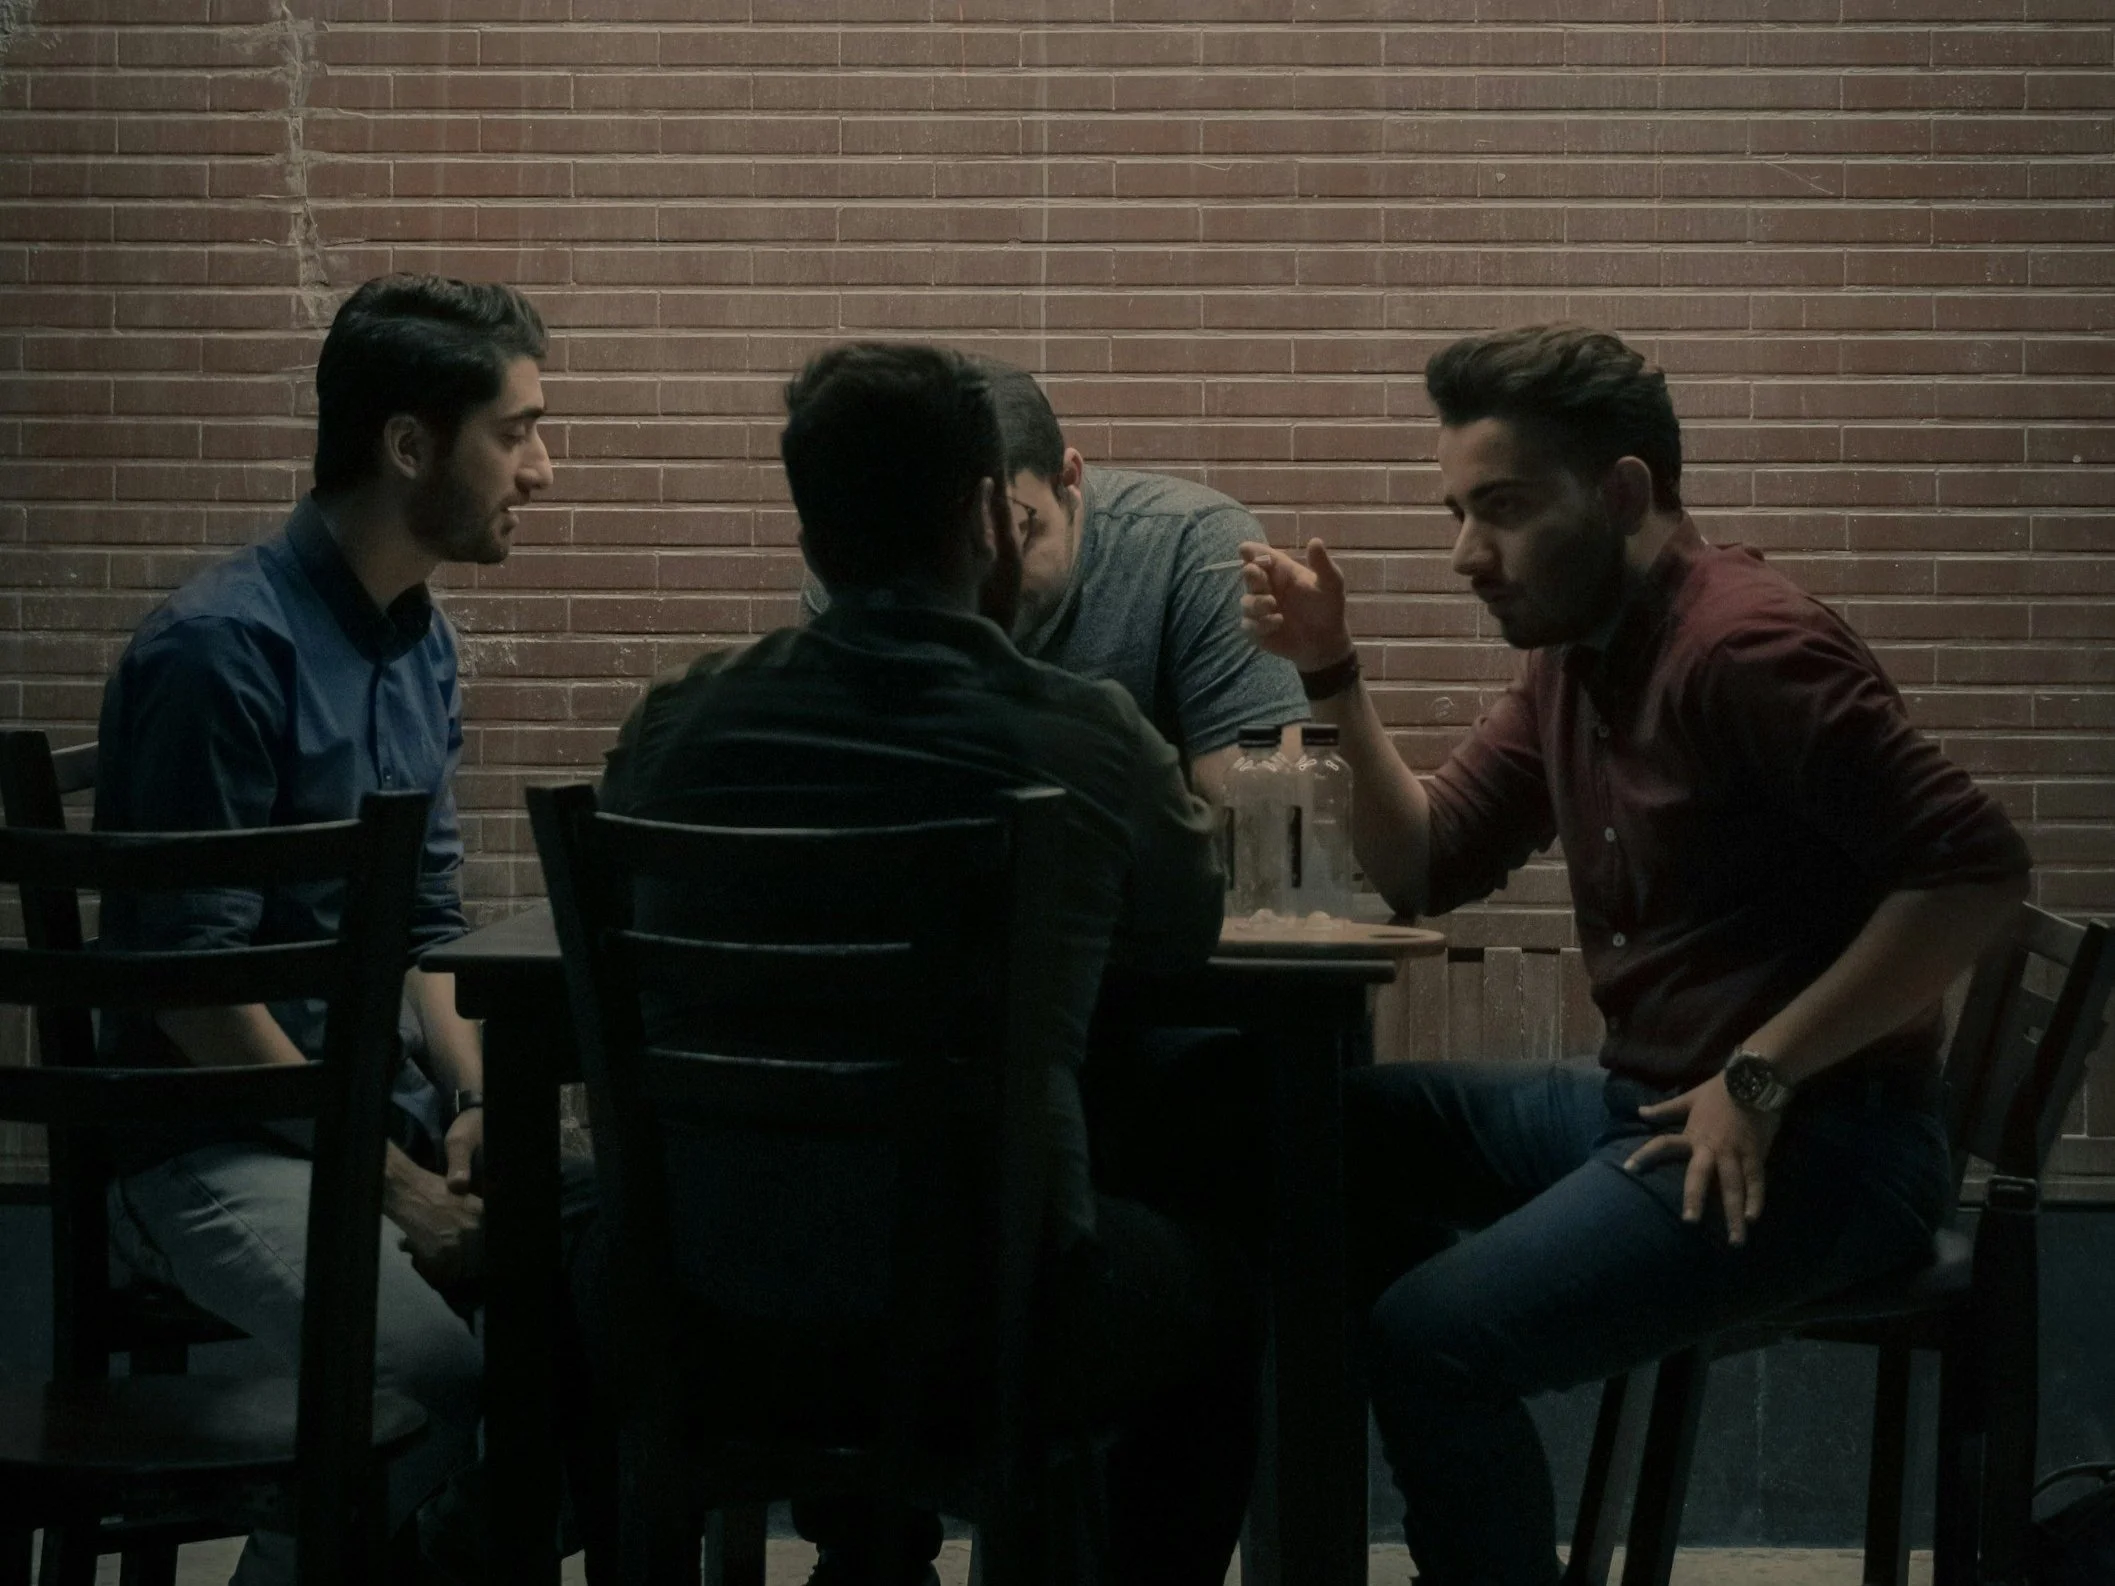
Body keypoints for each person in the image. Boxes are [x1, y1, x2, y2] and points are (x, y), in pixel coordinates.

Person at [1239, 324, 2033, 1586]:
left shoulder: (1746, 647)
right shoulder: (1579, 656)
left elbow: (1977, 871)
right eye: (1458, 511)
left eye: (1503, 508)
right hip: (1649, 1109)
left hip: (1820, 1148)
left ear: (1620, 492)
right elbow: (1425, 860)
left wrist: (1762, 1073)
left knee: (1433, 1339)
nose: (1466, 552)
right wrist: (1332, 670)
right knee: (1317, 1131)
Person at [591, 342, 1264, 1586]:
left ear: (813, 532)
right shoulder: (1087, 735)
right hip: (992, 1319)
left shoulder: (674, 724)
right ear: (984, 518)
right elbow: (1182, 933)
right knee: (1228, 1294)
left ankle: (864, 1558)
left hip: (704, 1299)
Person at [94, 274, 556, 1586]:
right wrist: (391, 1183)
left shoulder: (421, 641)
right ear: (409, 444)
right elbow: (197, 995)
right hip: (207, 1145)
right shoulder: (219, 651)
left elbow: (425, 931)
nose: (542, 469)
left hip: (357, 1124)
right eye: (516, 432)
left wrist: (475, 1103)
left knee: (603, 1314)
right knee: (432, 1374)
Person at [805, 355, 1308, 804]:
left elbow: (1268, 812)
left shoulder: (1189, 544)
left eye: (1016, 535)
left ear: (1068, 480)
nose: (982, 585)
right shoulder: (865, 566)